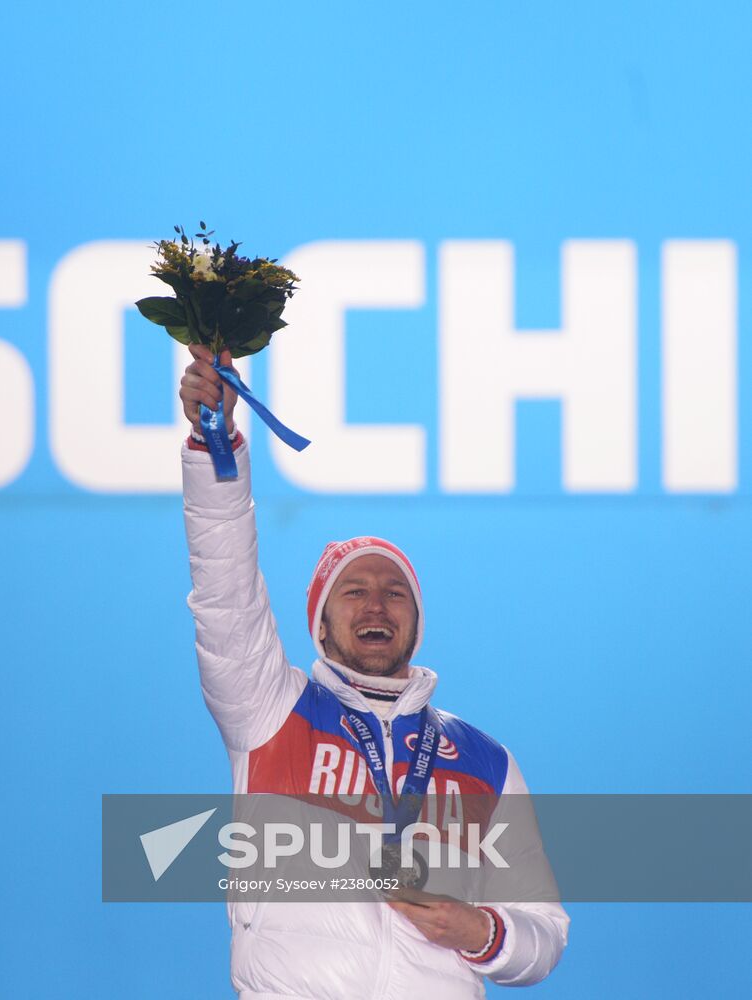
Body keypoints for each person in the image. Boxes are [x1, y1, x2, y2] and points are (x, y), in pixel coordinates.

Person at [178, 344, 569, 999]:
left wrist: (481, 931)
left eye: (396, 592)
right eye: (353, 591)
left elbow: (545, 935)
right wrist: (214, 445)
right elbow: (225, 587)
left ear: (415, 623)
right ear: (321, 626)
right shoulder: (271, 711)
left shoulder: (485, 761)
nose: (377, 603)